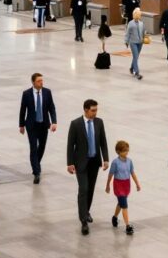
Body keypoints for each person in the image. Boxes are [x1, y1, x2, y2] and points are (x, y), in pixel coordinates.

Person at [66, 99, 109, 236]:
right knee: (83, 189)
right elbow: (70, 145)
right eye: (93, 110)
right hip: (81, 163)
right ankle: (83, 221)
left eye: (96, 110)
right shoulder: (75, 124)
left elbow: (103, 141)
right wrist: (70, 163)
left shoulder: (99, 122)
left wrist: (106, 159)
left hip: (94, 162)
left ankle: (86, 211)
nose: (95, 113)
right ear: (85, 110)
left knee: (90, 189)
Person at [19, 72, 57, 184]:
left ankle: (36, 163)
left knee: (42, 147)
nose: (41, 83)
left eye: (42, 81)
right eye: (39, 81)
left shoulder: (47, 92)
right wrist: (21, 125)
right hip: (31, 125)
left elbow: (52, 108)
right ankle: (36, 172)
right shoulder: (26, 94)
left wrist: (54, 122)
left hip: (44, 124)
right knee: (33, 148)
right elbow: (22, 110)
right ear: (33, 82)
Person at [105, 140, 141, 235]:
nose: (126, 152)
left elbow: (132, 173)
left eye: (127, 150)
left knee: (121, 203)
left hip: (126, 185)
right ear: (118, 151)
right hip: (118, 185)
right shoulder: (115, 162)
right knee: (124, 205)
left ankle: (115, 217)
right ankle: (128, 226)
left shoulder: (129, 161)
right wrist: (108, 185)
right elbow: (110, 174)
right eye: (124, 151)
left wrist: (137, 183)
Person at [124, 8, 147, 80]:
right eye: (139, 14)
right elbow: (127, 33)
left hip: (140, 43)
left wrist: (145, 38)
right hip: (133, 42)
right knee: (136, 56)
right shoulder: (131, 23)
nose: (140, 15)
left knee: (135, 57)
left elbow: (144, 32)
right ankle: (137, 72)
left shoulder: (141, 23)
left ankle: (131, 68)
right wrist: (126, 41)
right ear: (135, 15)